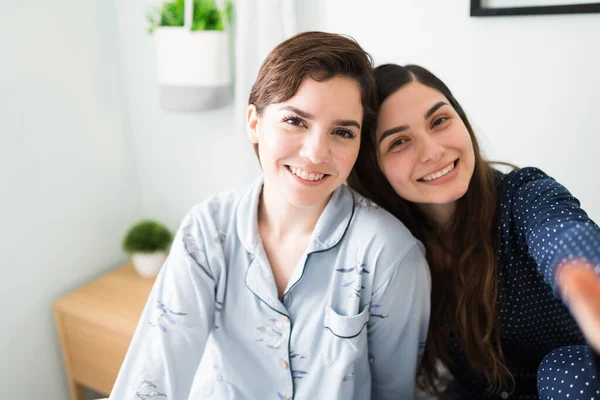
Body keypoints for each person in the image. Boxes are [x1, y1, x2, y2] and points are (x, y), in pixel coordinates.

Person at [108, 33, 431, 400]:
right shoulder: (207, 231)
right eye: (295, 121)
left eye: (342, 132)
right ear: (254, 123)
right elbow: (155, 373)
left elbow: (395, 392)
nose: (315, 153)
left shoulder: (390, 255)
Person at [347, 63, 600, 399]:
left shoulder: (523, 196)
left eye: (439, 121)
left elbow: (563, 234)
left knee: (566, 367)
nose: (433, 151)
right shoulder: (389, 245)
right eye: (399, 142)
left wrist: (582, 275)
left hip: (573, 387)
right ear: (373, 168)